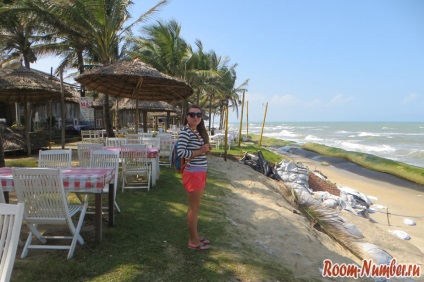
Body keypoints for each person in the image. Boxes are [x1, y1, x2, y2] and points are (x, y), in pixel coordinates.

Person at [177, 105, 211, 250]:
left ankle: (196, 237)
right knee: (193, 207)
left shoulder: (195, 131)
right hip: (193, 173)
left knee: (196, 207)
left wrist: (204, 150)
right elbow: (181, 152)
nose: (196, 117)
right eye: (192, 114)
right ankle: (193, 241)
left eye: (198, 114)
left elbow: (195, 151)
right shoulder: (185, 132)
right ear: (187, 117)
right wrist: (201, 150)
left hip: (199, 172)